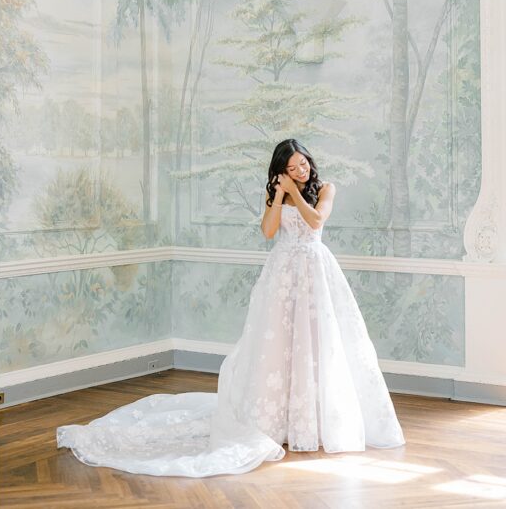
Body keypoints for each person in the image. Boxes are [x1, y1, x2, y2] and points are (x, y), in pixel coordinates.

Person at [56, 138, 405, 477]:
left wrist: (294, 191)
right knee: (278, 345)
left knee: (316, 342)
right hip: (283, 274)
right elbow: (268, 231)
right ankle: (278, 420)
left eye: (302, 163)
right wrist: (279, 194)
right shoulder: (279, 191)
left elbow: (316, 221)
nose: (300, 170)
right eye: (291, 168)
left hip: (315, 272)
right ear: (280, 171)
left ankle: (314, 419)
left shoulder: (326, 188)